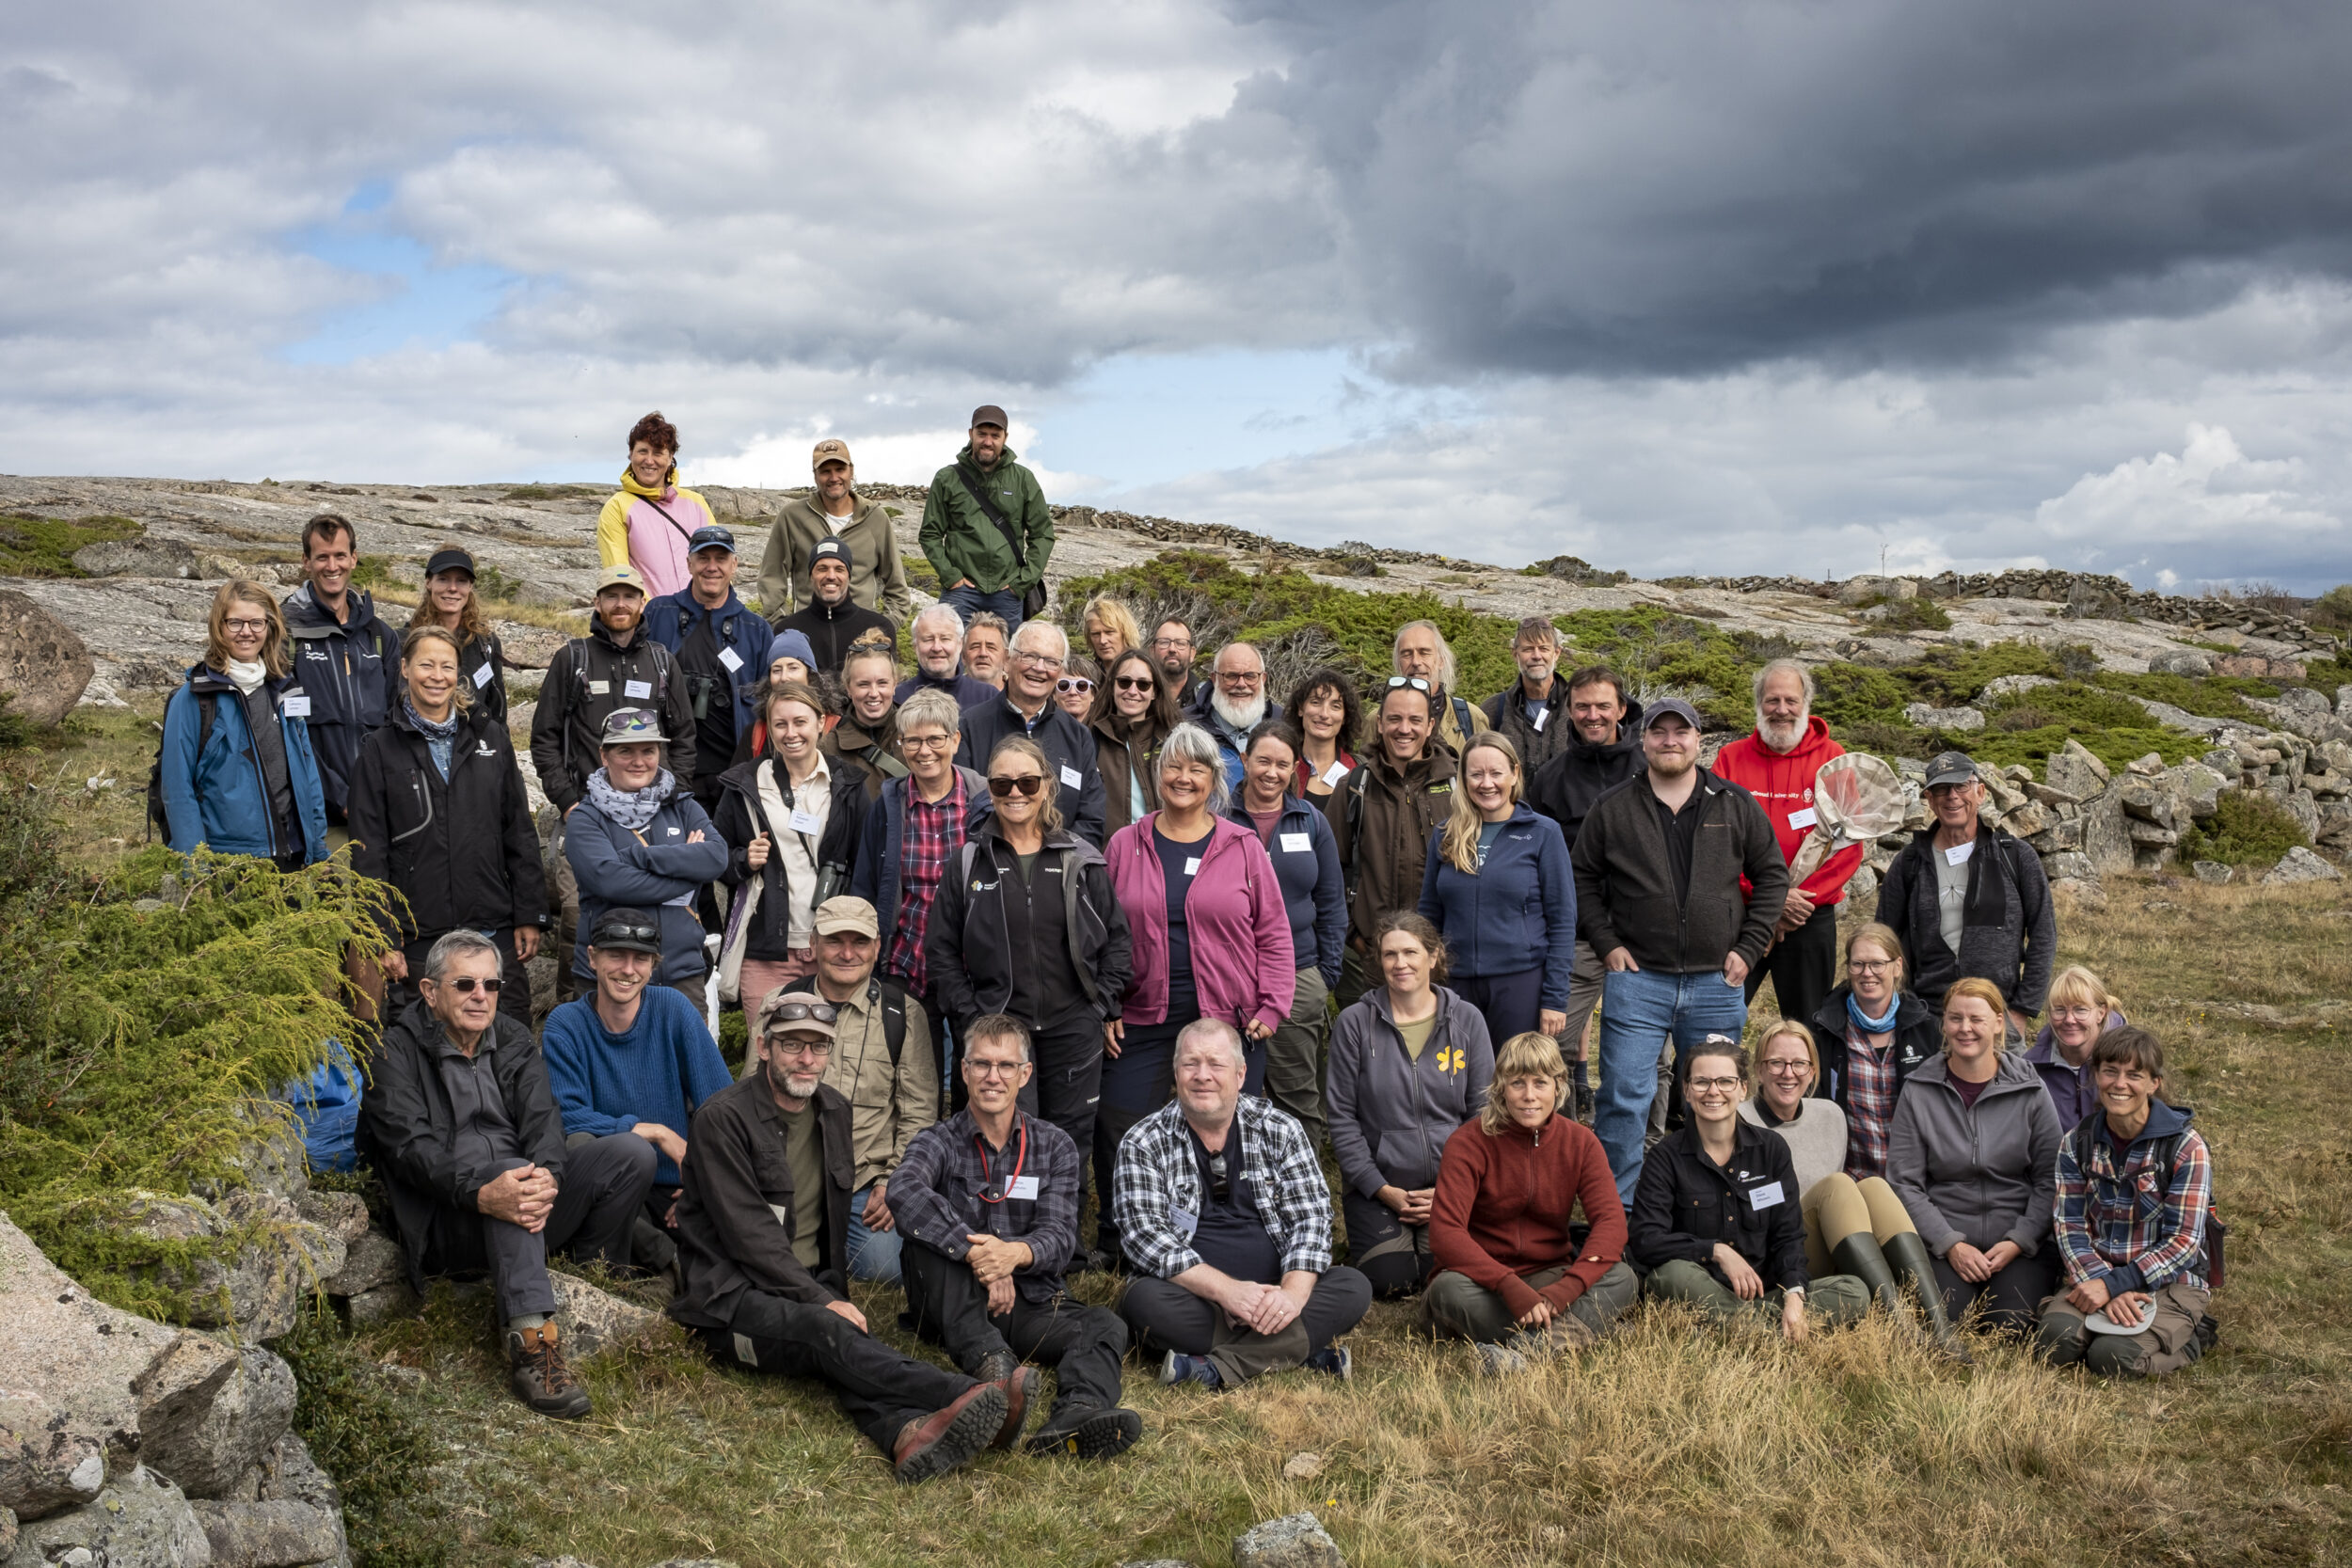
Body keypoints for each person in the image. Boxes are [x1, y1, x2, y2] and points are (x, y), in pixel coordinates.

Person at [667, 990, 1018, 1482]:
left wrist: (829, 1293)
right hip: (729, 1302)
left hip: (810, 1283)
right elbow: (752, 1238)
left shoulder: (833, 1108)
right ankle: (960, 1393)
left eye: (819, 1046)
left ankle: (905, 1434)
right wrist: (822, 1301)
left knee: (843, 1352)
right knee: (828, 1333)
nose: (807, 1059)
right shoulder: (722, 1120)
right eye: (792, 1045)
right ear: (764, 1047)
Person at [363, 930, 659, 1418]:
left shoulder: (515, 1038)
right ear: (430, 992)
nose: (481, 996)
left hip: (520, 1201)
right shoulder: (394, 1051)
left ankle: (592, 1276)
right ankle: (534, 1349)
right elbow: (411, 1152)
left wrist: (550, 1177)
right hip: (451, 1219)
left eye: (491, 985)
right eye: (465, 984)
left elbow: (546, 1124)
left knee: (629, 1153)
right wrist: (483, 1192)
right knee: (508, 1174)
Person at [888, 1014, 1144, 1459]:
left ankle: (1075, 1415)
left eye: (1006, 1066)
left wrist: (1014, 1255)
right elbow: (904, 1190)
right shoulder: (937, 1140)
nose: (993, 1077)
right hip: (953, 1302)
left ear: (1025, 1074)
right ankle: (995, 1371)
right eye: (982, 1064)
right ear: (964, 1071)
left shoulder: (1055, 1145)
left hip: (1030, 1303)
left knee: (1105, 1324)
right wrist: (980, 1256)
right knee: (924, 1242)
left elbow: (1061, 1235)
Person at [1570, 696, 1788, 1202]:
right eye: (1659, 732)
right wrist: (1606, 943)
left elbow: (1772, 876)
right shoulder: (1613, 807)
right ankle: (1616, 1216)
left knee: (1711, 1102)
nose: (1670, 741)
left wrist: (1750, 947)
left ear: (1697, 740)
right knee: (1624, 1100)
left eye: (1681, 731)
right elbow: (1581, 879)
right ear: (1642, 740)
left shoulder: (1733, 803)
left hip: (1717, 982)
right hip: (1638, 981)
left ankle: (1702, 1207)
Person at [1113, 1020, 1371, 1389]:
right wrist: (1230, 1294)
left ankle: (1214, 1368)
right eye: (1191, 1064)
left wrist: (1291, 1297)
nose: (1203, 1076)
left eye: (1216, 1065)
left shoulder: (1280, 1128)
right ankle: (1299, 1352)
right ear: (1176, 1072)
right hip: (1198, 1299)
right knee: (1143, 1302)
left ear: (1240, 1073)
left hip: (1276, 1289)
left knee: (1353, 1286)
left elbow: (1312, 1218)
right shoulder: (1143, 1141)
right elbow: (1145, 1237)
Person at [927, 736, 1130, 1181]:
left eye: (1027, 781)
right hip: (999, 1032)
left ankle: (1065, 1252)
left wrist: (1100, 1005)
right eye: (1002, 784)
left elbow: (1117, 940)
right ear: (990, 791)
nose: (1015, 793)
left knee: (1070, 1146)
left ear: (1046, 786)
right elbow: (940, 951)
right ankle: (1008, 1247)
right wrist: (970, 1015)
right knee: (1004, 1144)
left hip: (1071, 1028)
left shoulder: (1080, 858)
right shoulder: (967, 863)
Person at [346, 625, 543, 1026]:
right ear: (404, 668)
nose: (437, 676)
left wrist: (529, 914)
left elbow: (519, 830)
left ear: (459, 674)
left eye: (447, 666)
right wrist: (382, 935)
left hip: (491, 928)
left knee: (509, 1051)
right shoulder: (379, 749)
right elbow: (368, 851)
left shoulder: (491, 736)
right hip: (420, 933)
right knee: (424, 1057)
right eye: (426, 664)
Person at [1627, 1036, 1872, 1338]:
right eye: (1702, 1082)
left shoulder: (1771, 1150)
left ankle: (1738, 1329)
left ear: (1743, 1088)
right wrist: (1715, 1251)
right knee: (1670, 1276)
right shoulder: (1666, 1157)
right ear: (1687, 1091)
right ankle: (1769, 1334)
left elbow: (1789, 1233)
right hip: (1701, 1284)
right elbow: (1646, 1240)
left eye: (1726, 1081)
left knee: (1854, 1290)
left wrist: (1794, 1294)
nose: (1713, 1091)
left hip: (1764, 1290)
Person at [1740, 1019, 1960, 1352]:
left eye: (1800, 1063)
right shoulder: (1740, 1120)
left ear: (1813, 1071)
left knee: (1874, 1186)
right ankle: (1901, 1327)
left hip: (1825, 1242)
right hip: (1774, 1253)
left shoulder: (1829, 1115)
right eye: (1776, 1063)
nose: (1789, 1073)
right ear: (1759, 1070)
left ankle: (1939, 1328)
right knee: (1839, 1185)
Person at [1425, 1031, 1637, 1372]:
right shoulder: (1468, 1143)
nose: (1529, 1096)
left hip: (1550, 1274)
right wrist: (1507, 1284)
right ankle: (1582, 1328)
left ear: (1559, 1086)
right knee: (1447, 1291)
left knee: (1623, 1278)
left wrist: (1565, 1290)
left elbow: (1611, 1224)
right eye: (1517, 1083)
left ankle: (1526, 1351)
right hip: (1482, 1282)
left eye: (1540, 1083)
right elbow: (1446, 1234)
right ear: (1500, 1088)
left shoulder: (1580, 1142)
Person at [539, 908, 733, 1275]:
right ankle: (651, 1261)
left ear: (654, 964)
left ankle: (658, 1266)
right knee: (580, 1141)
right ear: (592, 957)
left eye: (641, 958)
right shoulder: (566, 1023)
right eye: (616, 955)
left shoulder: (673, 1009)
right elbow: (564, 1115)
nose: (628, 970)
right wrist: (655, 1132)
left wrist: (704, 1185)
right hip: (609, 1183)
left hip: (674, 1188)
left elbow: (723, 1106)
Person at [1326, 913, 1494, 1298]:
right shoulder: (1355, 1023)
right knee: (1392, 1282)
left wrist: (1453, 1191)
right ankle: (1396, 1239)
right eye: (1389, 954)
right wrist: (1382, 1189)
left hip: (1452, 1183)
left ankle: (1431, 1233)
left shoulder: (1467, 1020)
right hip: (1379, 1186)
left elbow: (1482, 1115)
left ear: (1433, 957)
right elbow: (1342, 1118)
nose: (1400, 963)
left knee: (1447, 1269)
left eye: (1410, 952)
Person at [1885, 976, 2062, 1336]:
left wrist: (2020, 1240)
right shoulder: (1919, 1090)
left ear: (1999, 1022)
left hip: (2017, 1241)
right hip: (1946, 1238)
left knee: (2008, 1326)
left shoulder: (2030, 1089)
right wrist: (1950, 1244)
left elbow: (2052, 1177)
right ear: (1944, 1024)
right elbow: (1905, 1182)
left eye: (1977, 1019)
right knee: (1947, 1317)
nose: (1965, 1028)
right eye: (1955, 1018)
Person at [2037, 1026, 2216, 1379]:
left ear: (2154, 1083)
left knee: (2113, 1357)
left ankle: (2195, 1336)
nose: (2120, 1084)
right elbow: (2068, 1226)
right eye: (2110, 1072)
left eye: (2134, 1075)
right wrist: (2103, 1283)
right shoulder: (2076, 1143)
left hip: (2169, 1282)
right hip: (2095, 1272)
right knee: (2054, 1342)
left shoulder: (2187, 1148)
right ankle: (2100, 1323)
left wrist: (2116, 1285)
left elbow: (2184, 1243)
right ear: (2096, 1076)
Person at [1710, 659, 1864, 1034]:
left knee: (1810, 1027)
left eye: (1791, 700)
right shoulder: (1730, 760)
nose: (1781, 710)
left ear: (1806, 703)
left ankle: (1810, 1094)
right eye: (1772, 700)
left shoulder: (1833, 758)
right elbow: (1714, 841)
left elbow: (1849, 845)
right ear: (1758, 703)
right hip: (1742, 915)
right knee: (1715, 1019)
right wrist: (1771, 899)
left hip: (1807, 918)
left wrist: (1794, 902)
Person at [795, 895, 938, 1287]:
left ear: (877, 948)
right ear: (813, 944)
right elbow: (750, 1100)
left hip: (864, 1182)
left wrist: (894, 1182)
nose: (846, 953)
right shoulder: (783, 1005)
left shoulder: (903, 1014)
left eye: (858, 942)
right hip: (792, 1177)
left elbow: (919, 1114)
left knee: (884, 1271)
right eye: (834, 941)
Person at [850, 689, 989, 1095]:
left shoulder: (983, 801)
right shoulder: (889, 803)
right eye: (912, 741)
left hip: (971, 968)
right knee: (910, 1083)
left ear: (955, 741)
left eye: (935, 740)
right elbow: (867, 882)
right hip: (906, 963)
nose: (924, 751)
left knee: (975, 1079)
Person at [1525, 664, 1645, 1112]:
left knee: (1649, 1060)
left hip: (1643, 939)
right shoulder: (1550, 778)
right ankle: (1555, 1141)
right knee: (1547, 1050)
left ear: (1621, 709)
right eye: (1582, 707)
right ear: (1568, 711)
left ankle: (1649, 1149)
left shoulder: (1650, 769)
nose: (1592, 715)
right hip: (1576, 937)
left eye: (1602, 706)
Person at [713, 680, 871, 1007]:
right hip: (766, 951)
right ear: (769, 729)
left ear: (820, 722)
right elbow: (715, 859)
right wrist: (744, 860)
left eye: (800, 722)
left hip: (833, 946)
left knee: (831, 1053)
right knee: (770, 1050)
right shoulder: (744, 785)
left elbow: (865, 866)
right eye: (780, 724)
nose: (791, 733)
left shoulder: (849, 784)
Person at [1875, 750, 2055, 1037]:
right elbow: (1882, 940)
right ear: (1930, 800)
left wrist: (2022, 1010)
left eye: (1961, 786)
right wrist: (1901, 1006)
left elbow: (2044, 934)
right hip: (1927, 1017)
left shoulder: (2017, 857)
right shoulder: (1909, 863)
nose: (1952, 796)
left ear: (1980, 792)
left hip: (1997, 1015)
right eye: (1941, 789)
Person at [1416, 732, 1575, 1049]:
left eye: (1496, 773)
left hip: (1520, 983)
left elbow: (1562, 920)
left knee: (1514, 1081)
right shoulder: (1445, 834)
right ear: (1463, 778)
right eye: (1476, 774)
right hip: (1456, 984)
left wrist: (1555, 998)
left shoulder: (1543, 833)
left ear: (1514, 773)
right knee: (1457, 1079)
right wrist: (1424, 980)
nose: (1486, 783)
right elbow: (1429, 914)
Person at [1228, 722, 1344, 1147]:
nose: (1271, 772)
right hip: (1232, 979)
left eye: (1282, 763)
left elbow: (1331, 901)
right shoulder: (1218, 817)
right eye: (1263, 760)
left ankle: (1304, 1189)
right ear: (1244, 761)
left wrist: (1325, 973)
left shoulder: (1310, 821)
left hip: (1298, 974)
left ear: (1295, 767)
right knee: (1233, 1093)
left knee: (1297, 1093)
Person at [160, 580, 329, 870]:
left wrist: (318, 851)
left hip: (292, 856)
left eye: (256, 623)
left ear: (270, 627)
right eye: (235, 622)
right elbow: (177, 791)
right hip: (227, 865)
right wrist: (196, 868)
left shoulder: (284, 690)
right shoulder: (193, 700)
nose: (247, 632)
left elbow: (307, 777)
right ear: (219, 626)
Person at [564, 708, 729, 1004]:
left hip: (681, 976)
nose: (639, 761)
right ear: (604, 755)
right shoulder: (585, 818)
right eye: (625, 751)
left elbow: (717, 858)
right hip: (608, 980)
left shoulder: (683, 806)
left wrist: (642, 857)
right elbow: (610, 882)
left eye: (648, 751)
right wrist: (688, 876)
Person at [1325, 676, 1456, 1009]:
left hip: (1443, 959)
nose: (1404, 729)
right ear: (1380, 724)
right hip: (1372, 960)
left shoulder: (1458, 786)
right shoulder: (1354, 786)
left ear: (1430, 726)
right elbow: (1328, 872)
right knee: (1373, 1054)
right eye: (1395, 719)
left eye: (1415, 720)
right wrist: (1355, 937)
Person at [531, 563, 699, 813]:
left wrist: (674, 793)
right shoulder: (572, 659)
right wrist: (567, 801)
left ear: (642, 604)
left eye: (629, 596)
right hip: (589, 805)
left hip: (654, 807)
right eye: (612, 596)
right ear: (597, 603)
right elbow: (544, 736)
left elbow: (684, 735)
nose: (621, 604)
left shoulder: (662, 661)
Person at [642, 525, 773, 813]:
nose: (711, 567)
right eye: (703, 559)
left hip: (734, 772)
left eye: (721, 559)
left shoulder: (756, 629)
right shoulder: (658, 612)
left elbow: (771, 705)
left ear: (734, 565)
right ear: (689, 563)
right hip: (666, 769)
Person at [280, 513, 399, 831]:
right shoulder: (286, 631)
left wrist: (380, 791)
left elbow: (396, 719)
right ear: (306, 562)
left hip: (380, 805)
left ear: (354, 559)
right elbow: (286, 729)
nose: (332, 566)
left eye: (340, 556)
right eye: (322, 557)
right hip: (317, 812)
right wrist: (341, 796)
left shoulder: (380, 635)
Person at [1803, 922, 1941, 1183]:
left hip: (1915, 1181)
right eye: (1858, 964)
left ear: (1897, 966)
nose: (1867, 973)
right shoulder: (1825, 1030)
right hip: (1851, 1178)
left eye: (1878, 964)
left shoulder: (1926, 1029)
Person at [955, 620, 1106, 847]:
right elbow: (961, 811)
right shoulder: (969, 727)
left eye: (1051, 661)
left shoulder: (1078, 736)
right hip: (990, 866)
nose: (1039, 668)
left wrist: (1055, 860)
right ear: (1007, 661)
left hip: (1062, 870)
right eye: (1029, 656)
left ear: (1059, 672)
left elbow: (1092, 818)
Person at [919, 405, 1053, 639]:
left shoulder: (1023, 479)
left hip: (1008, 592)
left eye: (995, 435)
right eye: (982, 434)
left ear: (1005, 438)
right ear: (971, 434)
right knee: (948, 658)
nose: (988, 441)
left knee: (1006, 664)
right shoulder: (946, 478)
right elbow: (930, 534)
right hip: (960, 592)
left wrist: (1022, 583)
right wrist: (951, 577)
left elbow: (1042, 534)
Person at [758, 437, 915, 627]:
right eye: (825, 471)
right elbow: (771, 575)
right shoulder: (792, 517)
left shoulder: (875, 518)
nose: (834, 478)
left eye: (840, 470)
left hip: (862, 639)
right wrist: (781, 627)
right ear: (815, 475)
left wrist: (884, 628)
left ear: (851, 471)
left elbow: (896, 583)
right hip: (807, 634)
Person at [596, 410, 721, 600]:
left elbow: (718, 565)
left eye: (658, 453)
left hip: (702, 620)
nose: (649, 460)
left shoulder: (697, 503)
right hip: (650, 622)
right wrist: (654, 617)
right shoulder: (617, 507)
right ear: (631, 454)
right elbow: (619, 574)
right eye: (642, 451)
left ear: (670, 457)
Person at [405, 546, 509, 727]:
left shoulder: (486, 643)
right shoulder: (405, 640)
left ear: (470, 586)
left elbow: (497, 713)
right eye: (443, 579)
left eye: (461, 581)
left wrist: (502, 751)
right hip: (418, 747)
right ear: (429, 582)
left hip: (473, 748)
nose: (452, 588)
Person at [775, 537, 898, 676]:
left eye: (839, 569)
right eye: (822, 569)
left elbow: (888, 683)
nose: (831, 576)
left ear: (849, 576)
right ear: (811, 576)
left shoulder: (879, 626)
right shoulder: (787, 630)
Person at [1089, 648, 1176, 837]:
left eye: (1143, 684)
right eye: (1124, 682)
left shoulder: (1173, 741)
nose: (1132, 691)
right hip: (1106, 858)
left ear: (1154, 692)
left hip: (1161, 856)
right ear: (1112, 686)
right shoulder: (1090, 738)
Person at [2026, 964, 2127, 1127]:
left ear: (2101, 1013)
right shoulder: (2030, 1069)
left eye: (2080, 1010)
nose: (2069, 1020)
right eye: (2059, 1010)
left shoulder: (2131, 1060)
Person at [1480, 617, 1571, 774]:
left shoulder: (1578, 707)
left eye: (1543, 648)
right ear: (1515, 654)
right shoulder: (1493, 709)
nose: (1536, 656)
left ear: (1557, 653)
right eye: (1528, 649)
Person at [1190, 641, 1279, 791]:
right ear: (1214, 678)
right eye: (1231, 676)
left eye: (1250, 676)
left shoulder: (1284, 723)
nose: (1241, 684)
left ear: (1263, 679)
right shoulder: (1188, 726)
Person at [1392, 620, 1488, 757]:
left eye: (1424, 653)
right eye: (1407, 654)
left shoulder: (1472, 718)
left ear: (1441, 661)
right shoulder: (1378, 720)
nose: (1415, 662)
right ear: (1398, 663)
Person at [827, 642, 908, 799]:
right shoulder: (830, 746)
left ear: (895, 684)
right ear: (848, 688)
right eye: (863, 684)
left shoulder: (916, 734)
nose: (873, 693)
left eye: (882, 683)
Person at [893, 604, 999, 710]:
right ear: (915, 647)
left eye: (945, 639)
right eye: (928, 639)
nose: (937, 648)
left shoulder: (988, 697)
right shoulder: (897, 699)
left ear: (960, 644)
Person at [1285, 667, 1361, 802]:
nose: (1324, 714)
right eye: (1315, 702)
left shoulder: (1358, 771)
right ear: (1301, 709)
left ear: (1344, 717)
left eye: (1335, 706)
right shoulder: (1282, 766)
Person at [1080, 596, 1143, 667]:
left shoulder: (1144, 673)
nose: (1102, 641)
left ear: (1125, 633)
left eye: (1109, 632)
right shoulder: (1086, 676)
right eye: (1096, 634)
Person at [961, 611, 1011, 691]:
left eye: (991, 647)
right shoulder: (947, 694)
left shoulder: (1019, 695)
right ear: (963, 656)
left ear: (1006, 658)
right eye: (975, 646)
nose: (983, 653)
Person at [1148, 619, 1199, 696]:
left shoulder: (1206, 699)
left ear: (1192, 653)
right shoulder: (1137, 693)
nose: (1172, 649)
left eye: (1180, 643)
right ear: (1152, 652)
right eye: (1164, 642)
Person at [1054, 654, 1099, 723]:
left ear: (1092, 695)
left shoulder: (1108, 732)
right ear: (1054, 695)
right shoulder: (1038, 730)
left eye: (1081, 685)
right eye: (1064, 685)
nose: (1072, 692)